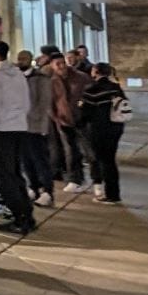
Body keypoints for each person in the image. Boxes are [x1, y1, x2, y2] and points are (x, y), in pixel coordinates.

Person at [0, 41, 35, 234]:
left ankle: (19, 217)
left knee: (4, 176)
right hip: (19, 127)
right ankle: (27, 213)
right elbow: (27, 103)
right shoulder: (18, 75)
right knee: (16, 173)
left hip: (1, 130)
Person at [78, 62, 129, 204]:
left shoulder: (92, 89)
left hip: (99, 129)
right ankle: (114, 192)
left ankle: (111, 195)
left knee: (103, 161)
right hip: (116, 128)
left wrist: (79, 123)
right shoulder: (116, 88)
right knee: (110, 160)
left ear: (96, 72)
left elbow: (85, 112)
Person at [18, 50, 57, 207]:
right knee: (26, 160)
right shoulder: (17, 77)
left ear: (31, 60)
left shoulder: (40, 79)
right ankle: (33, 186)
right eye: (19, 58)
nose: (21, 61)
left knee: (40, 159)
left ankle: (47, 191)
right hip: (20, 126)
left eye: (24, 58)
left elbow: (44, 102)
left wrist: (41, 124)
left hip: (35, 126)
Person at [54, 48, 94, 192]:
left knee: (90, 151)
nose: (61, 66)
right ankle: (75, 179)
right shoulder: (52, 81)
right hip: (64, 121)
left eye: (62, 63)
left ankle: (98, 180)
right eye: (57, 64)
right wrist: (56, 117)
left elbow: (90, 95)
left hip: (82, 119)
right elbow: (50, 102)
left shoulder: (81, 77)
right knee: (70, 151)